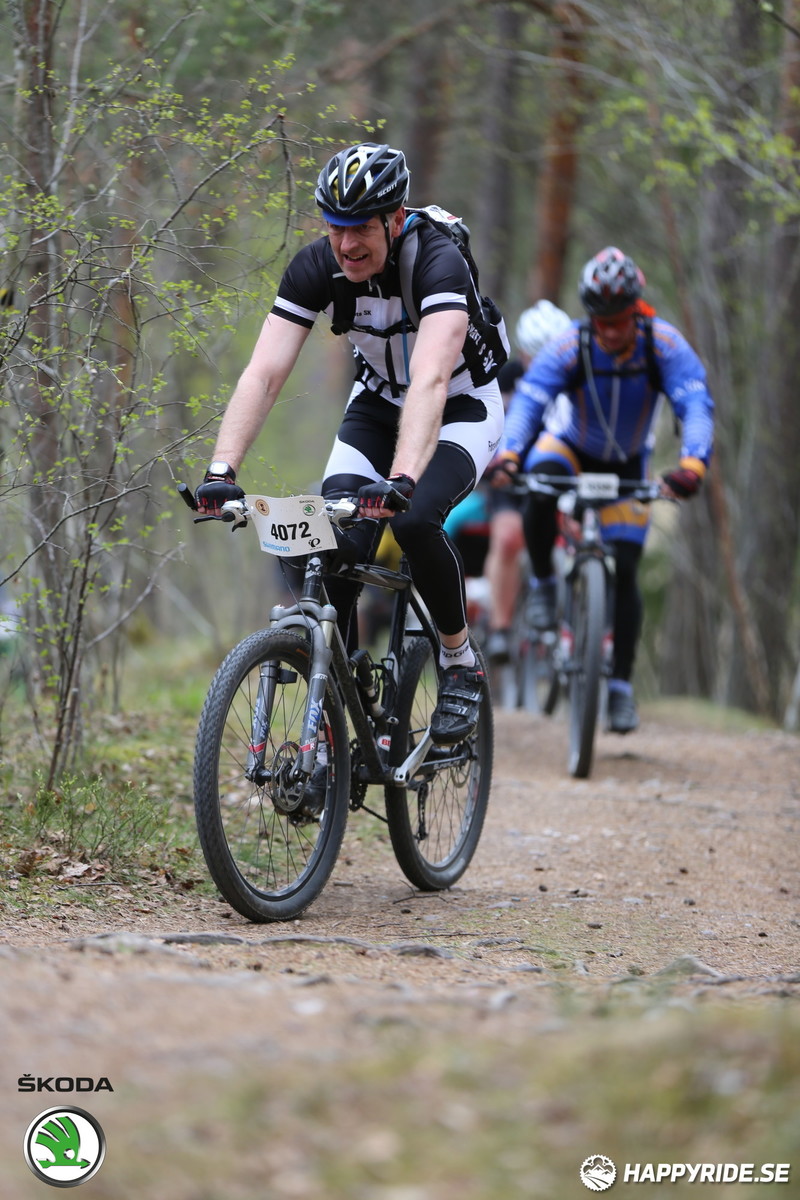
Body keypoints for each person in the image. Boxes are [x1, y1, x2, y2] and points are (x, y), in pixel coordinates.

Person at [194, 141, 507, 754]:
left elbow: (433, 380)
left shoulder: (438, 262)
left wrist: (404, 479)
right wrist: (221, 469)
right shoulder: (316, 267)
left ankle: (460, 660)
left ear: (395, 218)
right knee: (330, 533)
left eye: (361, 227)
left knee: (413, 521)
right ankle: (339, 689)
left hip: (460, 405)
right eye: (335, 228)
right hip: (378, 402)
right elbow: (264, 374)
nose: (347, 245)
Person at [489, 246, 715, 734]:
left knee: (628, 569)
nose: (611, 331)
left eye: (620, 320)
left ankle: (620, 689)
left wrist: (693, 463)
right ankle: (546, 587)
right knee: (541, 481)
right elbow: (530, 399)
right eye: (601, 320)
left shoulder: (664, 344)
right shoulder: (571, 344)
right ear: (589, 314)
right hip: (571, 446)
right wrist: (510, 453)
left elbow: (694, 402)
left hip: (630, 461)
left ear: (637, 309)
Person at [483, 300, 573, 665]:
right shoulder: (505, 378)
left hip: (558, 473)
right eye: (538, 355)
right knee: (508, 537)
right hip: (511, 476)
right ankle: (501, 628)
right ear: (522, 352)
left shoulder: (577, 377)